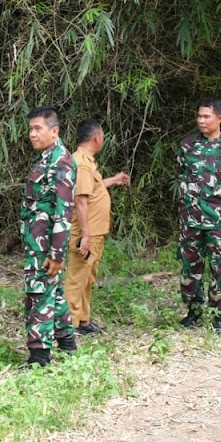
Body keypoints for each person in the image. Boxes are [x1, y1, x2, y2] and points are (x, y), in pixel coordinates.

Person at [176, 98, 221, 333]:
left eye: (206, 116)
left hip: (220, 219)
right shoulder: (187, 145)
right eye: (199, 116)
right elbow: (182, 175)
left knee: (220, 266)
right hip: (191, 216)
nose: (201, 120)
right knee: (190, 265)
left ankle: (219, 315)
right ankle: (193, 312)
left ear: (219, 118)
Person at [20, 106, 77, 367]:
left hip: (45, 245)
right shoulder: (46, 158)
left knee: (38, 292)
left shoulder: (60, 161)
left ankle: (39, 357)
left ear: (54, 131)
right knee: (53, 292)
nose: (32, 134)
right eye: (30, 129)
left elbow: (64, 211)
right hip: (38, 241)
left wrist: (56, 254)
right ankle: (67, 343)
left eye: (38, 129)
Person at [66, 120, 130, 335]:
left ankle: (82, 320)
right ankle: (69, 325)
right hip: (87, 232)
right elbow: (81, 201)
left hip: (94, 232)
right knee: (77, 278)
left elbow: (92, 189)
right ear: (97, 138)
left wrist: (114, 180)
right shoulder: (83, 164)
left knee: (87, 277)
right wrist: (85, 235)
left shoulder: (85, 161)